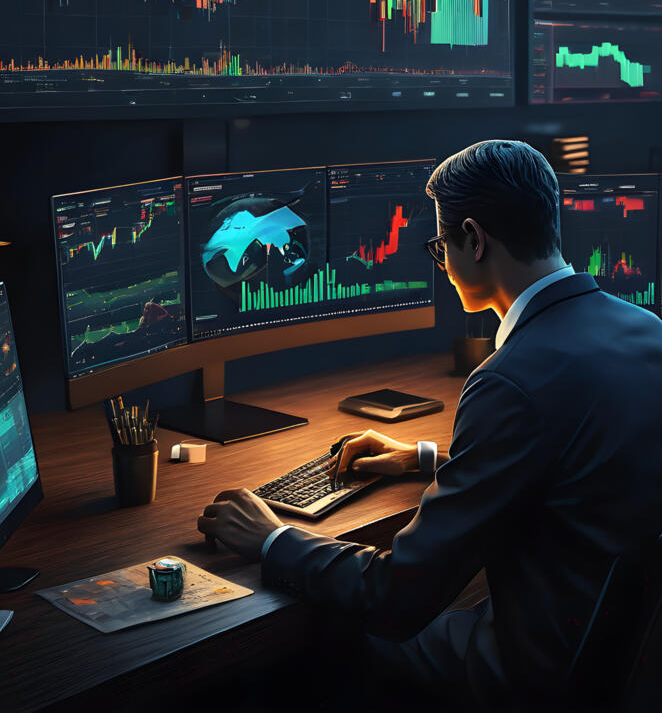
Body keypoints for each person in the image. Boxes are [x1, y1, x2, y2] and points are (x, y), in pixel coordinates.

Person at [198, 140, 662, 709]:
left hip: (528, 676)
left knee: (330, 632)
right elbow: (576, 474)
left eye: (441, 245)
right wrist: (423, 460)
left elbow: (397, 597)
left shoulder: (509, 381)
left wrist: (272, 538)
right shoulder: (648, 333)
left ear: (475, 238)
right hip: (609, 659)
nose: (441, 261)